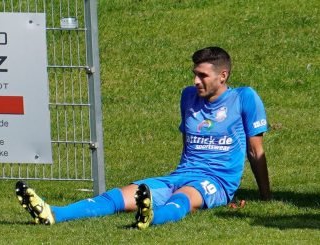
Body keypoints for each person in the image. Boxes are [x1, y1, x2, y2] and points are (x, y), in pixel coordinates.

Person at [15, 46, 271, 229]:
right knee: (120, 196)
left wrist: (265, 197)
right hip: (181, 173)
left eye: (202, 75)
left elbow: (255, 151)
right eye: (194, 74)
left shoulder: (244, 97)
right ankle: (54, 214)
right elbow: (188, 144)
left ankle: (151, 217)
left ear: (223, 76)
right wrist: (180, 173)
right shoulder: (187, 96)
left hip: (217, 180)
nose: (196, 80)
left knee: (184, 198)